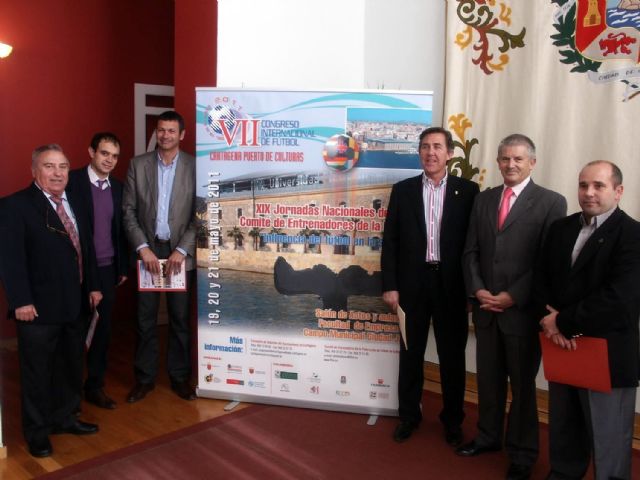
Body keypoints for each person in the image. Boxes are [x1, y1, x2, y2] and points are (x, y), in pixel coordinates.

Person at [459, 134, 567, 480]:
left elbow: (546, 262)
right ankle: (488, 437)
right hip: (485, 309)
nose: (511, 165)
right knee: (488, 381)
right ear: (498, 162)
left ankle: (522, 454)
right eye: (505, 158)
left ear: (532, 163)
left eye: (518, 159)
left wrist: (513, 296)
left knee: (522, 388)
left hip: (521, 313)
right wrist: (477, 289)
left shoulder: (551, 202)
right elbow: (470, 251)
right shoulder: (484, 199)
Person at [536, 161, 640, 480]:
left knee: (609, 439)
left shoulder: (633, 235)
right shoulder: (561, 228)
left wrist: (563, 322)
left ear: (618, 191)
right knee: (564, 428)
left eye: (599, 186)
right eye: (583, 185)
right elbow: (542, 280)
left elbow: (619, 299)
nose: (589, 192)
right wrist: (549, 322)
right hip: (561, 346)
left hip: (606, 353)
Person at [0, 145, 102, 458]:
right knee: (37, 373)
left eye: (63, 166)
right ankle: (38, 432)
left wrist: (93, 287)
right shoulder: (15, 205)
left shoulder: (77, 201)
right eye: (49, 166)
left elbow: (85, 248)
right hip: (38, 309)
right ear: (34, 170)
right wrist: (20, 300)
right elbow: (10, 258)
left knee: (70, 366)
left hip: (75, 303)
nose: (57, 173)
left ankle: (65, 418)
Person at [381, 127, 479, 447]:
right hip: (412, 284)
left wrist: (472, 290)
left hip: (452, 286)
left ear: (449, 153)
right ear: (419, 152)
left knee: (452, 358)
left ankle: (452, 421)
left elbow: (475, 245)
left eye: (437, 146)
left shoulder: (469, 191)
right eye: (425, 146)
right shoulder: (403, 190)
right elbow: (391, 241)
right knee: (410, 354)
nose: (430, 152)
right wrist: (391, 285)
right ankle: (409, 416)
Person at [122, 110, 197, 402]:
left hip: (180, 254)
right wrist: (142, 248)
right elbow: (128, 211)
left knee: (179, 319)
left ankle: (179, 378)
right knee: (145, 319)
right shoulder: (137, 164)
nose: (165, 135)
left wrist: (182, 250)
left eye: (171, 130)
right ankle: (144, 379)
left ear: (182, 135)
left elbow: (201, 213)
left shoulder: (194, 166)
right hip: (148, 253)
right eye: (161, 130)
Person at [66, 132, 129, 409]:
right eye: (104, 153)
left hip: (107, 269)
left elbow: (121, 230)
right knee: (74, 330)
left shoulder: (118, 188)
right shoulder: (71, 182)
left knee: (102, 332)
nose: (109, 160)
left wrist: (122, 266)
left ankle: (95, 386)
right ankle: (68, 394)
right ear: (91, 152)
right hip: (76, 269)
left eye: (114, 156)